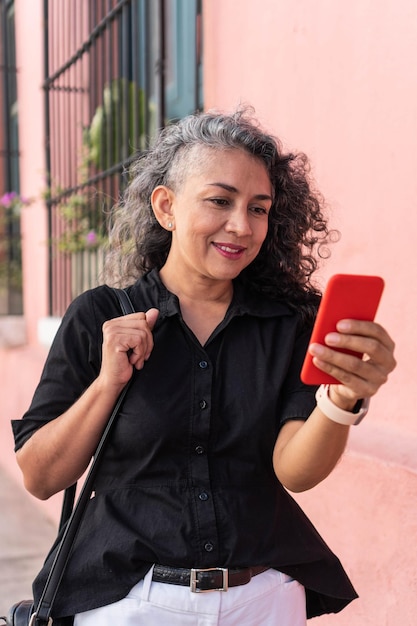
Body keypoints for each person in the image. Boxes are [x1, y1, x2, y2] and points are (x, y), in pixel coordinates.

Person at [12, 108, 396, 625]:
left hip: (263, 599)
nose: (241, 226)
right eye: (219, 200)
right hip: (129, 603)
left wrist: (343, 398)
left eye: (259, 208)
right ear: (166, 207)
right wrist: (109, 382)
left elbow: (295, 471)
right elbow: (40, 476)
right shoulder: (100, 316)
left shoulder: (288, 325)